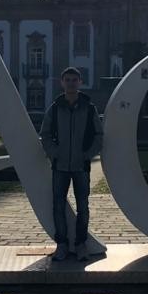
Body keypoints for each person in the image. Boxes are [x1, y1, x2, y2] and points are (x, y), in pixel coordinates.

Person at [40, 67, 103, 262]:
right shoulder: (55, 107)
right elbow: (46, 134)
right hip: (60, 166)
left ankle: (81, 244)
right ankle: (62, 245)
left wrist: (87, 155)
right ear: (62, 82)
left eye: (74, 80)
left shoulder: (89, 107)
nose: (71, 83)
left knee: (83, 206)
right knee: (58, 205)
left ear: (80, 82)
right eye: (67, 80)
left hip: (81, 166)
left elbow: (99, 135)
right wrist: (54, 154)